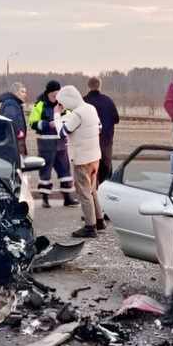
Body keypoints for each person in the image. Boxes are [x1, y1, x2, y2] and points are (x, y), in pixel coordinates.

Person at [57, 85, 104, 238]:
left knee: (84, 193)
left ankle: (90, 227)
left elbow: (63, 132)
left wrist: (57, 116)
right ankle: (99, 220)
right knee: (92, 190)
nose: (62, 105)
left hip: (82, 159)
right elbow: (100, 127)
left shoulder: (77, 114)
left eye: (63, 102)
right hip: (95, 156)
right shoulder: (90, 108)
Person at [28, 80, 77, 208]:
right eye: (54, 95)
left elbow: (71, 119)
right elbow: (32, 122)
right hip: (46, 144)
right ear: (48, 93)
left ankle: (67, 198)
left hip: (61, 144)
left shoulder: (63, 104)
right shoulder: (40, 104)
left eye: (58, 94)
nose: (56, 97)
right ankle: (45, 199)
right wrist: (47, 124)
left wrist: (64, 121)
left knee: (65, 171)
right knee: (45, 172)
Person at [82, 77, 120, 184]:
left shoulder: (83, 101)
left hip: (88, 141)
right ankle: (104, 186)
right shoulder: (108, 101)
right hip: (106, 140)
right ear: (100, 86)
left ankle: (91, 188)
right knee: (106, 166)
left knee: (89, 170)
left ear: (88, 86)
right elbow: (116, 119)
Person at [0, 82, 28, 156]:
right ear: (16, 93)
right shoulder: (11, 104)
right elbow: (10, 121)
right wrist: (19, 132)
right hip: (14, 142)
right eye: (22, 92)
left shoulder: (15, 103)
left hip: (15, 141)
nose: (25, 94)